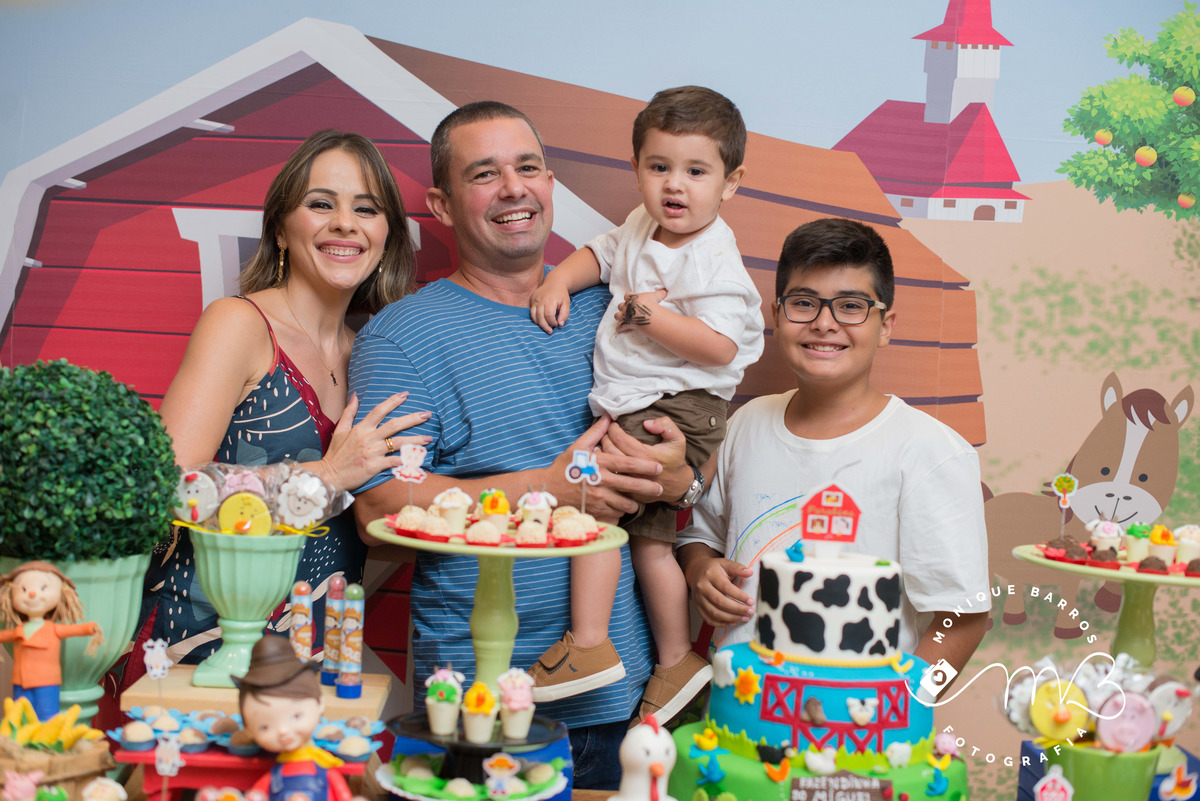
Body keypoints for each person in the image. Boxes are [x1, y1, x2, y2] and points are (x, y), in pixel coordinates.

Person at [349, 101, 692, 788]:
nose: (513, 188)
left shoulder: (613, 309)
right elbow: (381, 507)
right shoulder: (402, 338)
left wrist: (676, 472)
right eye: (485, 174)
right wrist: (548, 488)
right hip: (479, 707)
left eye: (527, 168)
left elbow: (682, 477)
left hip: (623, 700)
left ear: (550, 183)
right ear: (442, 205)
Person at [143, 129, 429, 667]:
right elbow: (166, 488)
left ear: (387, 236)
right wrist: (328, 474)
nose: (345, 222)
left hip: (317, 659)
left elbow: (367, 526)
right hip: (202, 652)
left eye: (366, 209)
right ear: (279, 228)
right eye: (321, 204)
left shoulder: (375, 353)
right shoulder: (240, 324)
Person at [527, 86, 764, 723]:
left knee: (594, 511)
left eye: (696, 171)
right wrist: (558, 278)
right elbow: (601, 255)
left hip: (678, 405)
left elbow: (720, 346)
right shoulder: (641, 225)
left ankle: (591, 643)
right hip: (643, 399)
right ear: (635, 169)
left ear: (730, 183)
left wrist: (646, 315)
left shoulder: (713, 259)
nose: (674, 185)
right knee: (648, 543)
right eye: (659, 167)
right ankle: (675, 659)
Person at [676, 217, 990, 676]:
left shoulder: (929, 451)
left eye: (851, 306)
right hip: (740, 707)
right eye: (804, 303)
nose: (825, 323)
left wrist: (906, 703)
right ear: (777, 315)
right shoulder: (745, 424)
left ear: (886, 326)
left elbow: (963, 617)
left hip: (862, 715)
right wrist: (700, 569)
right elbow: (699, 537)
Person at [235, 634, 367, 801]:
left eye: (296, 716)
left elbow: (343, 795)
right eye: (264, 727)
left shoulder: (325, 769)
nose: (283, 731)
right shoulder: (273, 778)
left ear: (320, 704)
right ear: (248, 729)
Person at [0, 562, 104, 721]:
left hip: (47, 682)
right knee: (21, 717)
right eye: (24, 589)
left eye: (43, 588)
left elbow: (74, 629)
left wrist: (90, 628)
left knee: (47, 717)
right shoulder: (18, 630)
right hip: (21, 681)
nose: (32, 594)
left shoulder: (53, 629)